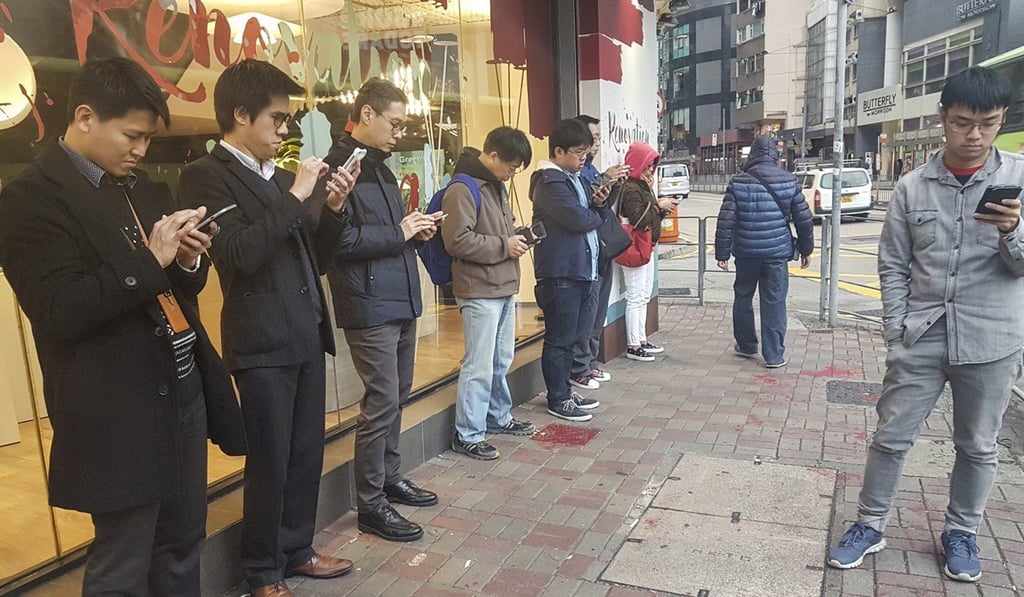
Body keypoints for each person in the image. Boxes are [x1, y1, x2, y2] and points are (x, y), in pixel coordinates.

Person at [0, 57, 246, 596]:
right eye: (132, 135)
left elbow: (176, 289)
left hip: (182, 389)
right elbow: (59, 308)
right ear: (85, 117)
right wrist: (150, 260)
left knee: (183, 541)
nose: (140, 149)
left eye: (148, 138)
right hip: (116, 406)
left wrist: (187, 259)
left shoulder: (140, 188)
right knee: (123, 561)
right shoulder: (29, 200)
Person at [827, 67, 1024, 583]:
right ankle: (870, 524)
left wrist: (1013, 231)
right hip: (921, 334)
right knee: (891, 437)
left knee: (977, 445)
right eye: (962, 123)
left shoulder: (1020, 179)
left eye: (988, 124)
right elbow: (893, 263)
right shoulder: (912, 187)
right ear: (943, 118)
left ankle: (962, 531)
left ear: (1001, 119)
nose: (975, 135)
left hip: (992, 339)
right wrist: (896, 327)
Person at [177, 59, 355, 597]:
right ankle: (262, 569)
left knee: (305, 454)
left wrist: (334, 208)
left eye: (287, 120)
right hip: (260, 341)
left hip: (305, 331)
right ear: (240, 114)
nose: (285, 130)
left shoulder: (279, 178)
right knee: (270, 461)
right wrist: (297, 196)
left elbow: (314, 257)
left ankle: (297, 550)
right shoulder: (205, 175)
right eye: (277, 119)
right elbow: (238, 253)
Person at [321, 78, 440, 543]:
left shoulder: (382, 170)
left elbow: (390, 234)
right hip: (369, 303)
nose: (399, 133)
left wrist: (415, 231)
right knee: (381, 402)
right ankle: (371, 505)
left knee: (397, 396)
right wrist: (401, 232)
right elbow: (338, 243)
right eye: (395, 123)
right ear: (366, 114)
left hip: (399, 295)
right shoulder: (338, 169)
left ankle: (390, 479)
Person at [441, 126, 537, 460]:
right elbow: (456, 240)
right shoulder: (462, 188)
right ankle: (468, 434)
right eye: (511, 166)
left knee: (500, 360)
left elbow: (499, 231)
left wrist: (518, 237)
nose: (512, 173)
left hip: (503, 285)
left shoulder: (495, 185)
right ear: (493, 155)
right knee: (478, 365)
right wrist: (503, 245)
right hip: (479, 289)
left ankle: (497, 416)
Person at [530, 118, 611, 422]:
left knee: (573, 337)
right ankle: (558, 398)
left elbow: (589, 215)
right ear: (558, 151)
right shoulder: (549, 182)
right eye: (578, 153)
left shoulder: (572, 178)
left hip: (580, 270)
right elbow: (578, 220)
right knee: (560, 339)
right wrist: (596, 214)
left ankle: (565, 390)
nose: (583, 160)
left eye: (586, 153)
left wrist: (599, 205)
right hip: (561, 273)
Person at [714, 135, 813, 368]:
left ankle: (747, 345)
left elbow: (726, 220)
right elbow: (804, 219)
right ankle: (774, 355)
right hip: (776, 254)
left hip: (746, 252)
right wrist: (806, 249)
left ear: (752, 154)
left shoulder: (738, 181)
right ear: (775, 155)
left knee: (743, 296)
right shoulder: (789, 180)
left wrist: (722, 254)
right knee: (775, 301)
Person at [569, 114, 630, 390]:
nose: (595, 145)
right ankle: (581, 366)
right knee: (587, 314)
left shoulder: (591, 169)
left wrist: (613, 184)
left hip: (602, 250)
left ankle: (590, 363)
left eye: (597, 139)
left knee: (597, 312)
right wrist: (606, 178)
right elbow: (585, 207)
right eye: (592, 139)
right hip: (588, 253)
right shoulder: (574, 174)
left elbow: (602, 206)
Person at [617, 142, 673, 362]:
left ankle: (640, 339)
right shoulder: (632, 188)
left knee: (643, 295)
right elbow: (638, 219)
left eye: (653, 165)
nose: (651, 169)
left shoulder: (641, 185)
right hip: (637, 246)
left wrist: (661, 209)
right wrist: (659, 206)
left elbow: (647, 216)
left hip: (646, 245)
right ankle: (633, 344)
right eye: (648, 165)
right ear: (638, 163)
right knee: (636, 296)